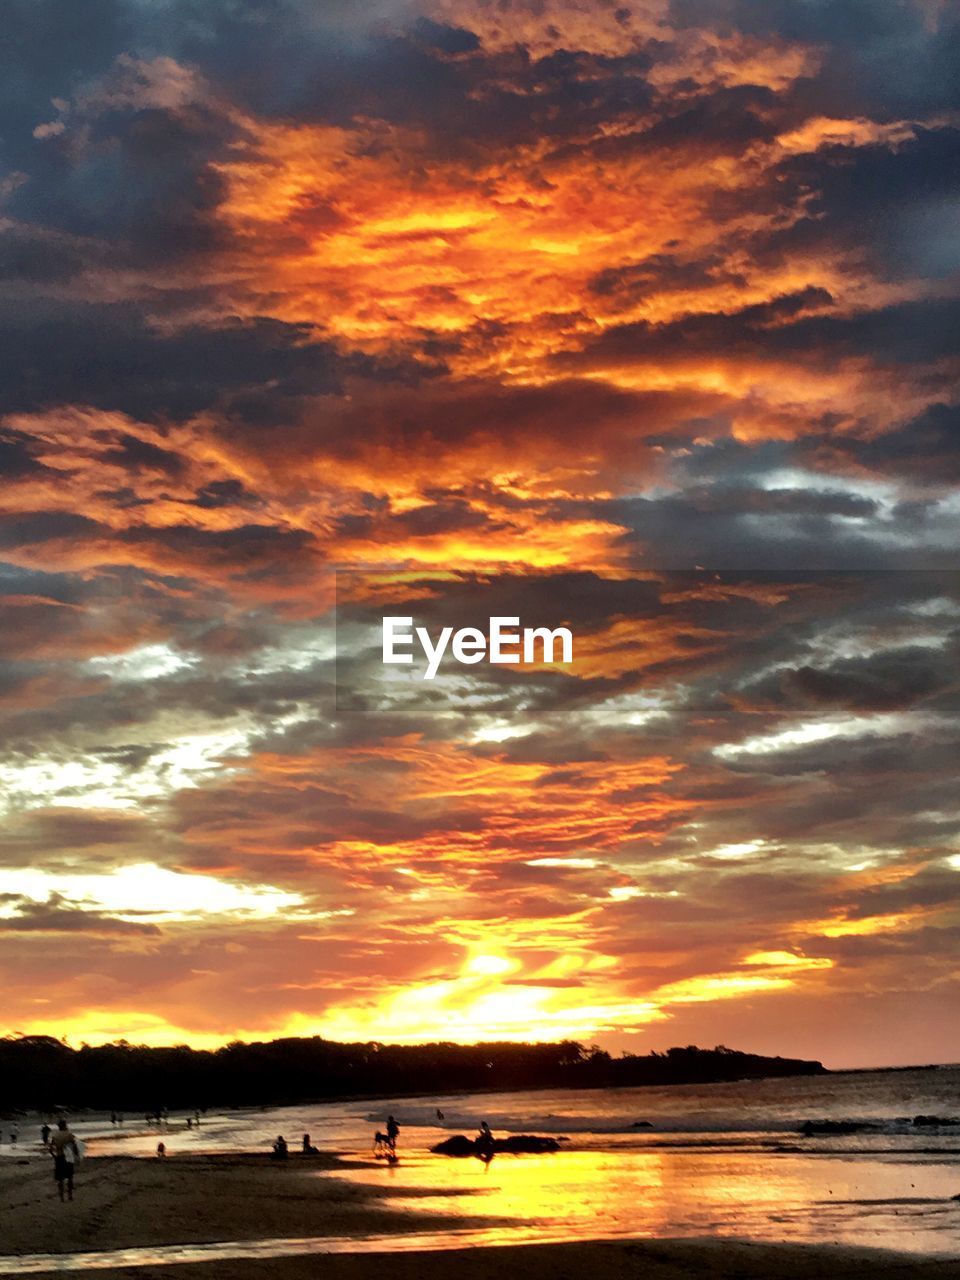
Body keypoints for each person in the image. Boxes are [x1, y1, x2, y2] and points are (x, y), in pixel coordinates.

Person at [49, 1119, 79, 1202]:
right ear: (64, 1125)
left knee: (60, 1179)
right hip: (68, 1157)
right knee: (70, 1177)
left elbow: (50, 1149)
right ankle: (70, 1196)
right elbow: (74, 1146)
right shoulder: (69, 1134)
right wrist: (76, 1156)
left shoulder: (55, 1135)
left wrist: (54, 1156)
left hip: (59, 1157)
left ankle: (61, 1197)